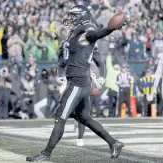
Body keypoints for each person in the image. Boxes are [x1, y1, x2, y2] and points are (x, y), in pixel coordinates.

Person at [26, 5, 125, 162]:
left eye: (73, 16)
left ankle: (46, 154)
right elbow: (65, 56)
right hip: (79, 82)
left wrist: (109, 29)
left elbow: (96, 34)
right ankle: (114, 143)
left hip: (78, 83)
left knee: (60, 116)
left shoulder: (87, 30)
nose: (69, 18)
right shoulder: (74, 34)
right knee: (84, 118)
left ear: (82, 17)